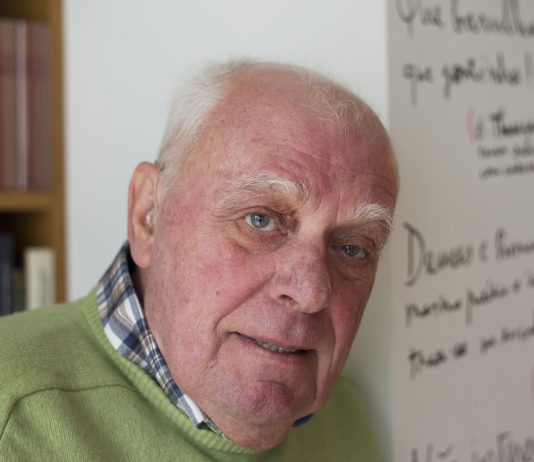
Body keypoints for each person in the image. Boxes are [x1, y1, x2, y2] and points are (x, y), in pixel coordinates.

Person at [0, 60, 398, 461]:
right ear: (147, 215)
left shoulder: (346, 419)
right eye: (260, 220)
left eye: (352, 248)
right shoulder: (13, 413)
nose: (311, 292)